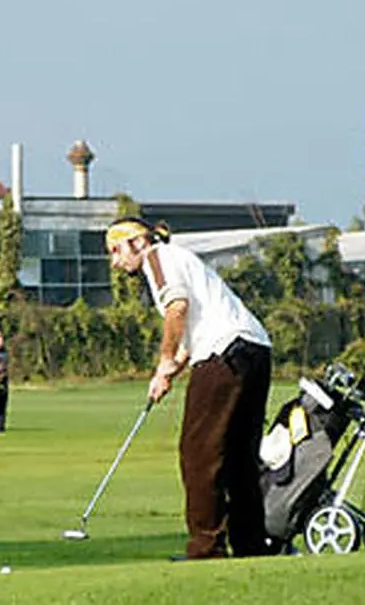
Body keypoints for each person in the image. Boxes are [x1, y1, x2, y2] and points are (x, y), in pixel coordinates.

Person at [105, 216, 277, 560]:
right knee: (239, 456)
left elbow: (177, 309)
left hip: (222, 355)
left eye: (116, 250)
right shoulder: (181, 258)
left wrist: (164, 360)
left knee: (199, 455)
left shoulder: (157, 258)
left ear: (138, 242)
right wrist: (170, 373)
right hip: (255, 352)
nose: (115, 261)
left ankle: (206, 547)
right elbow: (191, 333)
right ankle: (251, 546)